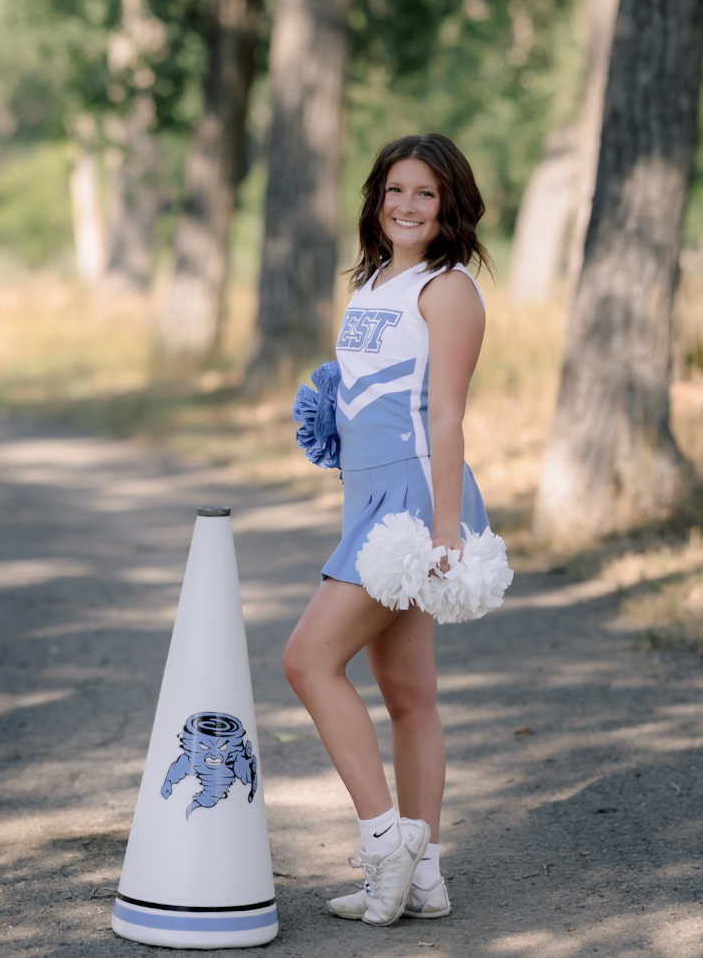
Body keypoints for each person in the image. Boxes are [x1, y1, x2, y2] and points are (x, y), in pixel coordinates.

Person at [281, 134, 493, 927]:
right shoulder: (373, 280)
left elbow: (445, 415)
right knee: (408, 692)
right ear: (377, 199)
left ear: (450, 209)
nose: (406, 205)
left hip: (410, 502)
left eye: (426, 195)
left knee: (307, 660)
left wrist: (444, 530)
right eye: (394, 190)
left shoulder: (448, 291)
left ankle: (385, 844)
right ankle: (426, 876)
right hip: (366, 495)